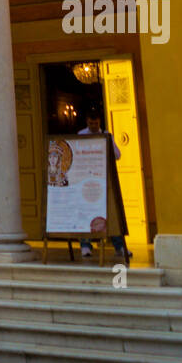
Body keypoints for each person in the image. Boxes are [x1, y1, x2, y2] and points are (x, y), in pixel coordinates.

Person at [78, 109, 128, 264]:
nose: (93, 125)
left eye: (96, 123)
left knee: (111, 213)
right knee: (85, 214)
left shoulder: (107, 135)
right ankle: (85, 246)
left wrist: (105, 146)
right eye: (91, 123)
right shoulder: (80, 135)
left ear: (99, 122)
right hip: (86, 182)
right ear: (87, 121)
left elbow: (118, 155)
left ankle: (119, 247)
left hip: (103, 181)